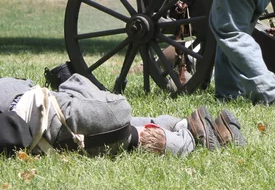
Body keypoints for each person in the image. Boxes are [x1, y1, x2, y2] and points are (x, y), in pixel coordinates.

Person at [0, 74, 245, 156]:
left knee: (114, 119)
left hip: (35, 98)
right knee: (118, 120)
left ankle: (185, 125)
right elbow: (15, 133)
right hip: (38, 118)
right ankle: (190, 141)